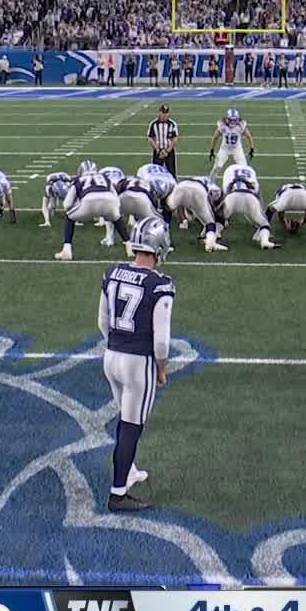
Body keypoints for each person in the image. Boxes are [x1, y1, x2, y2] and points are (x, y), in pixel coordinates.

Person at [97, 216, 175, 512]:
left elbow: (102, 321)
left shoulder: (112, 272)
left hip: (111, 357)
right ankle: (118, 494)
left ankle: (127, 470)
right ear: (159, 247)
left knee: (125, 418)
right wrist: (162, 367)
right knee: (132, 425)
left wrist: (116, 344)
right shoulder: (160, 284)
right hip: (138, 362)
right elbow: (161, 340)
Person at [55, 161, 123, 260]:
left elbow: (67, 204)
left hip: (88, 203)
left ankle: (67, 249)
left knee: (70, 216)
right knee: (111, 213)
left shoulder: (79, 180)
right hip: (111, 200)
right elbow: (115, 198)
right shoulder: (103, 178)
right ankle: (126, 244)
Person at [210, 108, 254, 172]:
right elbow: (215, 137)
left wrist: (252, 148)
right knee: (216, 168)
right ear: (227, 118)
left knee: (244, 168)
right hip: (225, 148)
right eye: (231, 120)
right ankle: (211, 178)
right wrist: (212, 150)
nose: (233, 122)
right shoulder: (223, 125)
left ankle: (243, 179)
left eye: (234, 120)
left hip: (237, 148)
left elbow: (248, 136)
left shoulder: (241, 125)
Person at [147, 104, 179, 174]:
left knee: (171, 173)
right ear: (159, 113)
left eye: (166, 113)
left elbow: (175, 138)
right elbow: (150, 138)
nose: (164, 115)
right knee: (156, 173)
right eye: (163, 113)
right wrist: (158, 150)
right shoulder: (153, 124)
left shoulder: (172, 124)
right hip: (158, 152)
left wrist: (167, 151)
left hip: (169, 152)